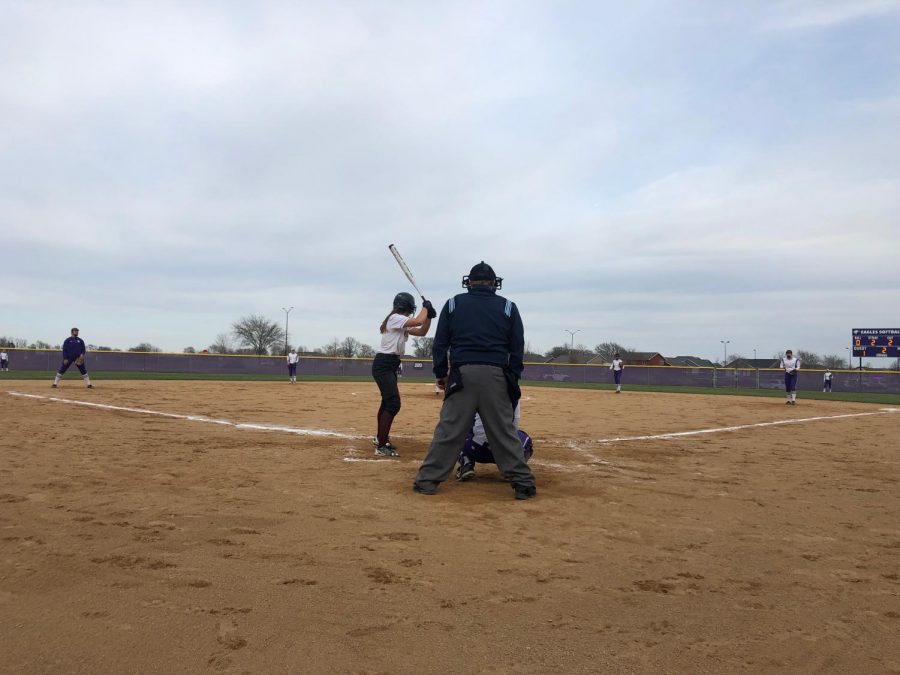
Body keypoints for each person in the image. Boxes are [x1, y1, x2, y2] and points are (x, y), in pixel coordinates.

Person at [413, 261, 536, 500]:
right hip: (496, 374)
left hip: (462, 374)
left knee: (449, 430)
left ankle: (427, 481)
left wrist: (441, 374)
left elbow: (439, 344)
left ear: (469, 282)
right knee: (503, 431)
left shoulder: (453, 304)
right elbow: (517, 348)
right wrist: (511, 377)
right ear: (493, 284)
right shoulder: (509, 307)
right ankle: (523, 483)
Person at [371, 292, 435, 457]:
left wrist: (429, 317)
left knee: (387, 402)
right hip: (384, 364)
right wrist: (425, 309)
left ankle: (380, 438)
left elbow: (422, 331)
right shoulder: (395, 318)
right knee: (393, 404)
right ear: (406, 307)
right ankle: (381, 445)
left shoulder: (400, 321)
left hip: (389, 364)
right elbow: (418, 320)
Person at [456, 402, 533, 482]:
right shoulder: (513, 392)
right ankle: (513, 468)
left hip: (476, 450)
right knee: (526, 440)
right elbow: (514, 428)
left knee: (455, 431)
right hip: (506, 452)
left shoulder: (471, 392)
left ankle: (466, 462)